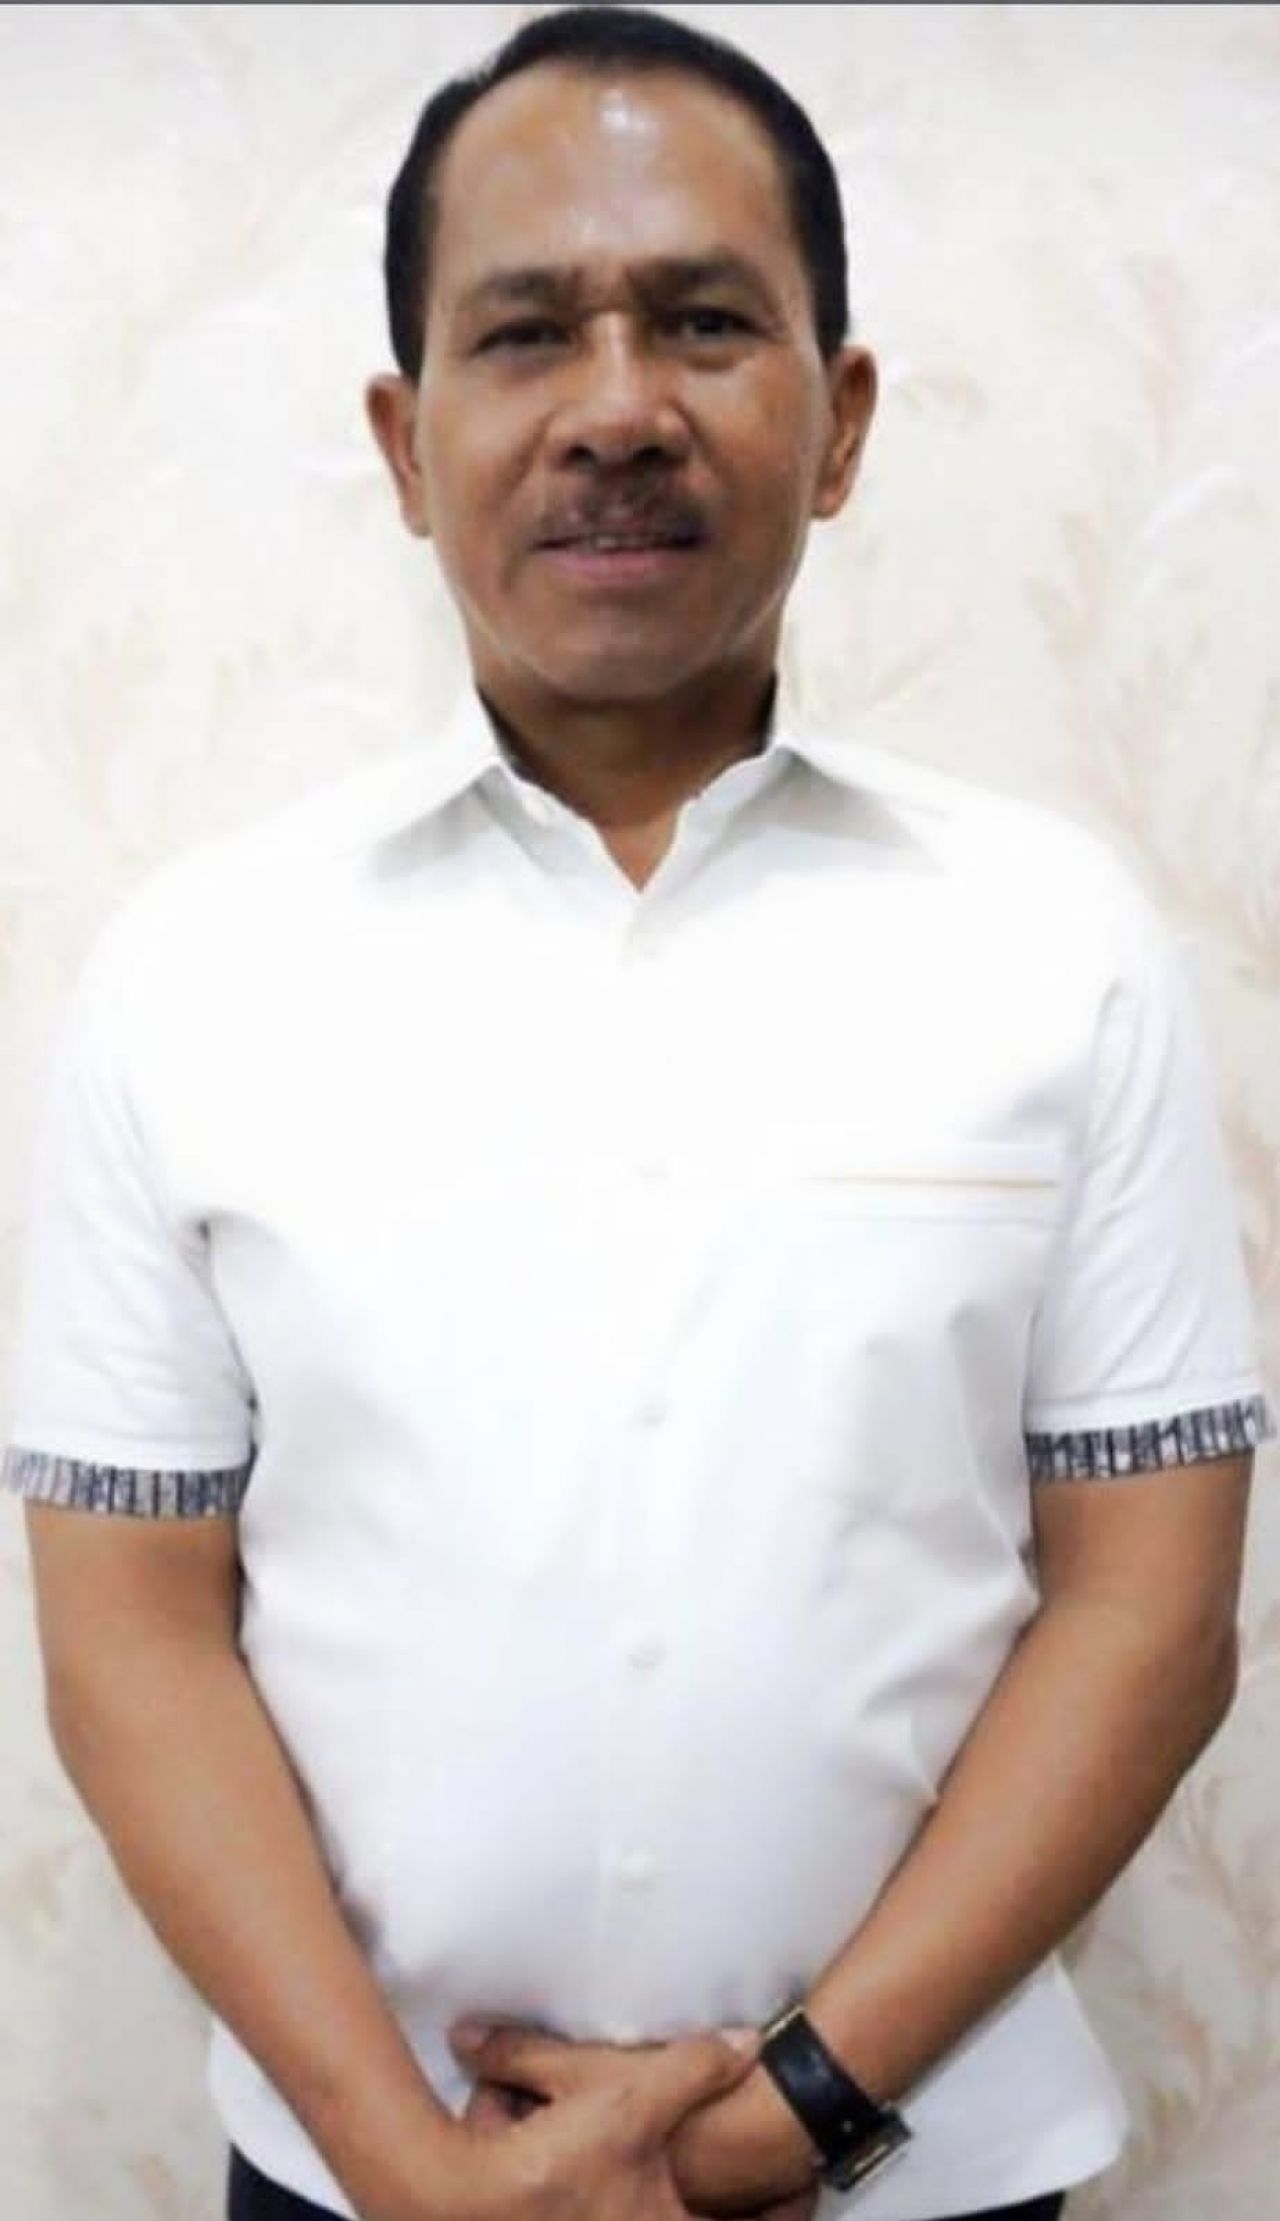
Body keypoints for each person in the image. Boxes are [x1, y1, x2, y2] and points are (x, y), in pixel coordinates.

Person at [4, 8, 1272, 2221]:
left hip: (919, 2168)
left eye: (701, 321)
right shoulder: (191, 974)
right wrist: (406, 2166)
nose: (616, 408)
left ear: (839, 418)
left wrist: (789, 2119)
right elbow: (131, 1629)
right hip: (361, 2176)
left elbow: (1148, 1611)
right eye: (525, 334)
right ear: (406, 441)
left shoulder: (1056, 943)